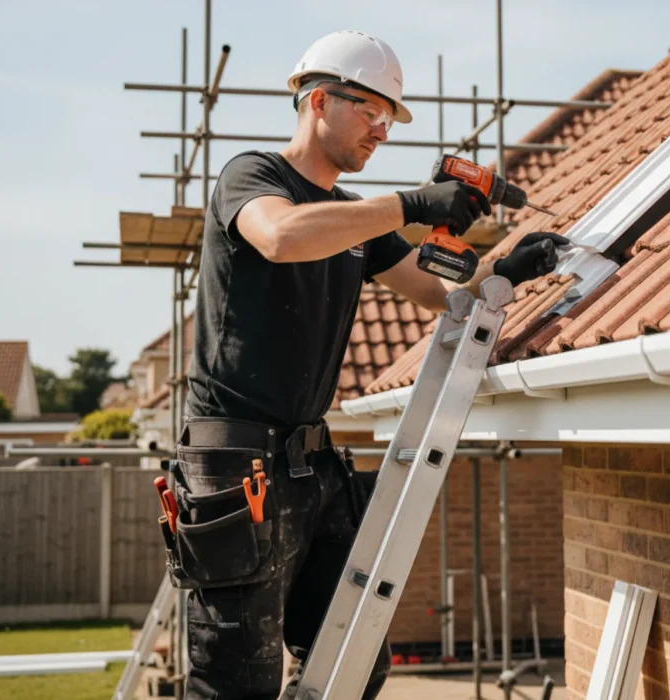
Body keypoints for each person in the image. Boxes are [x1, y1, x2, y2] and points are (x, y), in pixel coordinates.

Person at [164, 30, 569, 700]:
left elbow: (442, 295)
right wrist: (411, 204)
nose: (382, 132)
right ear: (319, 101)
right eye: (372, 113)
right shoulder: (251, 176)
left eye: (390, 120)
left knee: (355, 659)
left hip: (311, 468)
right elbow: (281, 237)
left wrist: (505, 272)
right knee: (238, 683)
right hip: (234, 469)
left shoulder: (356, 221)